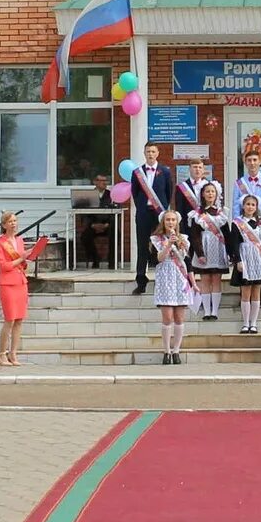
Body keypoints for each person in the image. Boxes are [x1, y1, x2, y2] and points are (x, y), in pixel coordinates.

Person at [149, 210, 194, 365]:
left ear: (177, 222)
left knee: (179, 317)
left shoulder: (184, 239)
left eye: (173, 220)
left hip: (179, 277)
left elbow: (186, 260)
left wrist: (179, 244)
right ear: (163, 222)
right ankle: (166, 350)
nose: (170, 223)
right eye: (168, 220)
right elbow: (159, 258)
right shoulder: (156, 239)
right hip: (165, 276)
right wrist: (168, 244)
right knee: (167, 317)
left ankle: (176, 351)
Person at [129, 145, 173, 297]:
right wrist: (142, 207)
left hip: (159, 214)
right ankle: (141, 281)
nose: (151, 154)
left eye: (153, 151)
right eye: (148, 151)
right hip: (143, 214)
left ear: (158, 153)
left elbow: (169, 192)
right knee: (142, 246)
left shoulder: (165, 172)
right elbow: (134, 193)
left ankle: (161, 280)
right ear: (144, 153)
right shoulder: (137, 173)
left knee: (161, 246)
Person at [0, 212, 36, 366]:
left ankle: (13, 353)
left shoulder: (19, 240)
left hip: (20, 282)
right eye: (10, 221)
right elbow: (4, 266)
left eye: (15, 221)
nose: (13, 224)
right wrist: (21, 258)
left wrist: (27, 258)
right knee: (9, 319)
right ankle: (1, 353)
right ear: (4, 225)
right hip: (7, 283)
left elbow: (21, 263)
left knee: (19, 320)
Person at [187, 181, 231, 322]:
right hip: (204, 247)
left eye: (213, 191)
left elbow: (227, 234)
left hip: (218, 247)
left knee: (217, 279)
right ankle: (206, 311)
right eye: (207, 191)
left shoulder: (222, 213)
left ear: (217, 194)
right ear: (202, 194)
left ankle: (215, 311)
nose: (210, 194)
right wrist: (199, 253)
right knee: (205, 280)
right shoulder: (197, 214)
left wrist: (230, 253)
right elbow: (194, 235)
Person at [232, 195, 261, 334]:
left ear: (256, 207)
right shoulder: (237, 223)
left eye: (253, 204)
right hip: (245, 256)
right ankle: (245, 322)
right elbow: (234, 243)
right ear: (243, 206)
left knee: (256, 291)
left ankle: (253, 323)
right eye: (247, 204)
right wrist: (238, 260)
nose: (250, 207)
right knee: (245, 291)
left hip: (259, 258)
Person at [232, 148, 261, 247]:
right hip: (244, 224)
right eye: (249, 160)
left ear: (260, 162)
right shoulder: (239, 183)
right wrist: (236, 224)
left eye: (255, 160)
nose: (252, 163)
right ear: (245, 163)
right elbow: (236, 206)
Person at [74, 175, 119, 271]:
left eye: (106, 180)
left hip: (107, 225)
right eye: (101, 180)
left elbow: (116, 211)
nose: (104, 182)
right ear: (95, 182)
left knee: (115, 234)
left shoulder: (111, 195)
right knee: (85, 236)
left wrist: (107, 224)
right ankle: (95, 259)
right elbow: (84, 212)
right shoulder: (89, 195)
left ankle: (112, 262)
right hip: (93, 224)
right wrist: (92, 225)